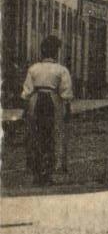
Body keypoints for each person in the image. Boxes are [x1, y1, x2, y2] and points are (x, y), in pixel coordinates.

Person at [22, 35, 74, 187]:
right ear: (55, 52)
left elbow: (26, 92)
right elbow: (66, 92)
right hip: (53, 103)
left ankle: (37, 173)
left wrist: (25, 110)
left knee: (35, 137)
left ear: (43, 52)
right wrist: (67, 109)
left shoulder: (33, 68)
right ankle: (48, 173)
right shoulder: (61, 70)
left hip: (35, 102)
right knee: (51, 136)